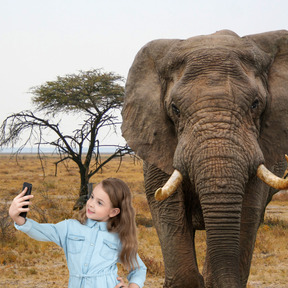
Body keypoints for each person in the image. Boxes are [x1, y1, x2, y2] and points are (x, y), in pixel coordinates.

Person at [9, 178, 147, 288]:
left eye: (99, 203)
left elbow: (139, 269)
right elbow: (40, 231)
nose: (91, 204)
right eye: (92, 197)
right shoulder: (70, 227)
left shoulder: (119, 238)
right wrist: (18, 218)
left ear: (114, 211)